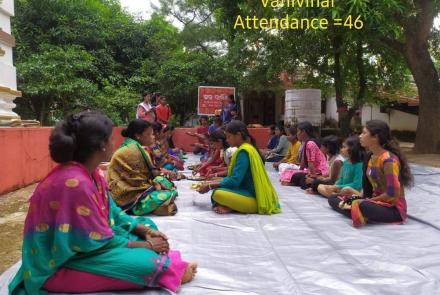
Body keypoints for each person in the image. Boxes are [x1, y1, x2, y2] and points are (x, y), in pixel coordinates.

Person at [8, 111, 197, 295]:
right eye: (110, 138)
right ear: (101, 145)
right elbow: (94, 241)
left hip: (90, 244)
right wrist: (148, 246)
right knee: (148, 265)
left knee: (147, 225)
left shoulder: (93, 173)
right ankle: (168, 268)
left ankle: (156, 256)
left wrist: (143, 230)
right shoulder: (75, 184)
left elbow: (112, 211)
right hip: (62, 262)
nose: (114, 142)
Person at [328, 120, 413, 227]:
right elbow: (367, 189)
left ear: (375, 137)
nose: (360, 136)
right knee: (334, 198)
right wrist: (358, 198)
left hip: (392, 208)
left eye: (364, 133)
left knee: (361, 205)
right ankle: (357, 211)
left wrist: (366, 201)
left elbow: (392, 195)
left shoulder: (389, 160)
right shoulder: (369, 157)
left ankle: (358, 211)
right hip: (373, 202)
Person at [197, 121, 281, 215]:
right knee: (218, 189)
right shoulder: (245, 149)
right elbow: (235, 177)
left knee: (217, 194)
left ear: (238, 135)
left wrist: (210, 185)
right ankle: (231, 205)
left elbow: (235, 180)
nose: (227, 140)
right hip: (245, 190)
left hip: (254, 198)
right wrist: (213, 182)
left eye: (229, 137)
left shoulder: (243, 152)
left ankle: (232, 206)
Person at [106, 119, 178, 216]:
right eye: (150, 134)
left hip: (123, 187)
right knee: (169, 191)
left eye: (153, 134)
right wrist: (164, 175)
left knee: (165, 182)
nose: (153, 137)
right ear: (138, 136)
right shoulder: (135, 148)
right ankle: (138, 207)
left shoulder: (132, 145)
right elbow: (154, 169)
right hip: (128, 192)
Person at [280, 121, 328, 188]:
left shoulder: (310, 143)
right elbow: (304, 161)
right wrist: (300, 170)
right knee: (288, 172)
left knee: (297, 176)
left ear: (304, 132)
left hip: (319, 172)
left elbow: (311, 163)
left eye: (298, 131)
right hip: (313, 171)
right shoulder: (306, 143)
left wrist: (312, 177)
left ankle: (303, 183)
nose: (297, 134)